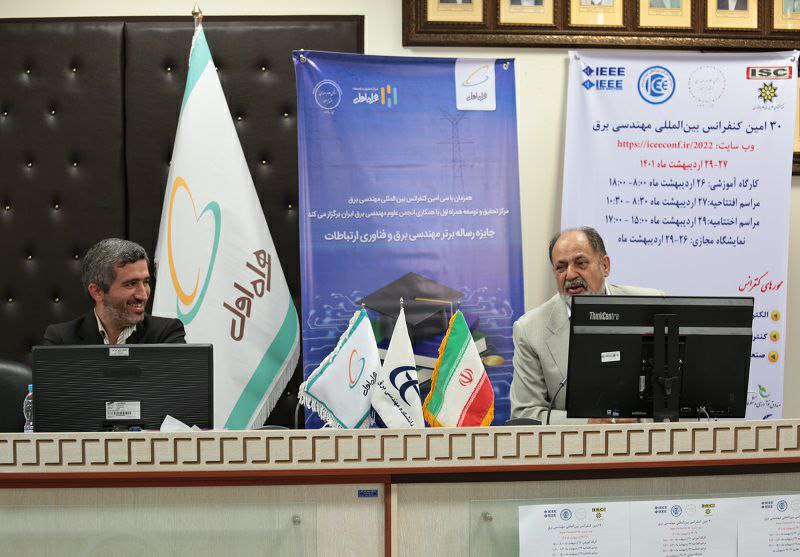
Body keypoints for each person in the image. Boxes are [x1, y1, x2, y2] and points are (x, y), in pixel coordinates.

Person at [509, 227, 663, 424]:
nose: (570, 274)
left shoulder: (651, 306)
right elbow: (525, 413)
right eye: (561, 267)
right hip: (574, 443)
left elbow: (676, 396)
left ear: (605, 266)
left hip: (647, 439)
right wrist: (589, 423)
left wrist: (639, 422)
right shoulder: (530, 330)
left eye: (580, 263)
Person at [43, 238, 186, 345]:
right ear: (97, 291)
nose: (143, 295)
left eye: (146, 282)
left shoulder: (167, 334)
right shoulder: (61, 339)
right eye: (131, 284)